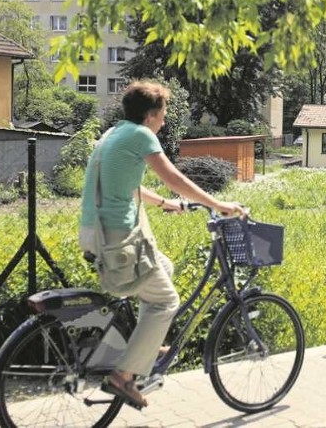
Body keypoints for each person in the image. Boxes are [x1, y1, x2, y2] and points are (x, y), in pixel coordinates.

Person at [78, 80, 243, 409]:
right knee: (166, 301)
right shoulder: (141, 135)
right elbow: (174, 178)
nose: (165, 120)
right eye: (163, 114)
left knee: (163, 266)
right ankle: (123, 376)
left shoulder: (113, 134)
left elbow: (129, 187)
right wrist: (219, 205)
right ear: (151, 114)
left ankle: (147, 345)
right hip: (119, 238)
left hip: (95, 231)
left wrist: (165, 204)